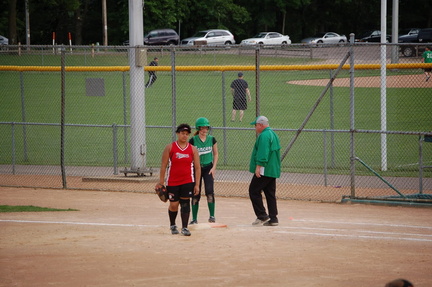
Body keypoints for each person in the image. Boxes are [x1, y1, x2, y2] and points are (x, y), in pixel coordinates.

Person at [155, 123, 201, 236]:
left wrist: (197, 185)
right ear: (177, 134)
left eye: (186, 134)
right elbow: (163, 165)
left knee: (185, 204)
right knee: (174, 205)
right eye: (182, 133)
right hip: (173, 182)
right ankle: (173, 224)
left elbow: (197, 167)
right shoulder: (170, 147)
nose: (184, 136)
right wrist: (161, 182)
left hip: (188, 181)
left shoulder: (193, 149)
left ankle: (185, 227)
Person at [248, 116, 281, 226]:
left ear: (261, 125)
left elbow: (263, 152)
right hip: (272, 169)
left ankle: (262, 216)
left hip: (264, 169)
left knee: (253, 190)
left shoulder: (264, 136)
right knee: (270, 193)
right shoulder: (273, 134)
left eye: (256, 125)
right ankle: (273, 218)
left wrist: (258, 167)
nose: (255, 127)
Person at [189, 117, 219, 224]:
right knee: (195, 193)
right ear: (198, 128)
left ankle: (212, 216)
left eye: (206, 128)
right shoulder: (193, 140)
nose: (205, 130)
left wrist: (214, 167)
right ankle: (194, 218)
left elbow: (215, 154)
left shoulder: (212, 139)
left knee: (210, 192)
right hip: (196, 168)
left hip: (208, 168)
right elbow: (190, 155)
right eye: (202, 128)